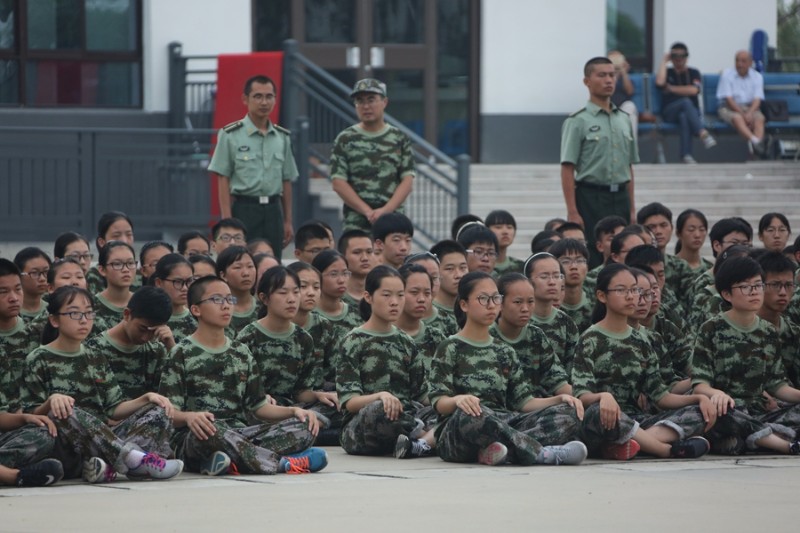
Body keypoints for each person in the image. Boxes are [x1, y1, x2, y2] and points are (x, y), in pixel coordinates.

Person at [158, 275, 328, 475]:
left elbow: (259, 407)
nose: (226, 306)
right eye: (216, 300)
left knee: (305, 425)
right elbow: (169, 414)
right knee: (210, 432)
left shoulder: (241, 351)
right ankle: (282, 463)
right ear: (196, 309)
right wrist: (189, 417)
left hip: (241, 433)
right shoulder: (181, 352)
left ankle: (229, 462)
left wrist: (293, 412)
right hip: (201, 435)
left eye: (229, 299)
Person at [22, 286, 183, 482]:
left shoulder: (94, 356)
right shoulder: (38, 358)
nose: (83, 319)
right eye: (74, 313)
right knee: (64, 410)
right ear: (55, 320)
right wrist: (51, 401)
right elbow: (30, 416)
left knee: (160, 409)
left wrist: (146, 398)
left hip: (101, 441)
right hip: (66, 445)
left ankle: (110, 465)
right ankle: (133, 460)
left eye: (88, 313)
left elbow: (113, 408)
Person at [428, 271, 587, 466]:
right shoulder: (450, 347)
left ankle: (497, 452)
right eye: (483, 299)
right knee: (471, 415)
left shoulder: (504, 350)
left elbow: (524, 402)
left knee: (568, 412)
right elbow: (438, 401)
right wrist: (458, 400)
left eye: (495, 298)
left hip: (502, 421)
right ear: (464, 305)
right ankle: (541, 453)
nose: (491, 305)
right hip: (460, 431)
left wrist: (559, 399)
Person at [573, 264, 713, 460]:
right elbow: (581, 395)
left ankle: (630, 445)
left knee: (698, 411)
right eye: (621, 290)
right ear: (602, 296)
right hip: (601, 421)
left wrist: (698, 398)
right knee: (598, 412)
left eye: (634, 290)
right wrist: (603, 396)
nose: (631, 296)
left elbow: (661, 396)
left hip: (636, 420)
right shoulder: (590, 339)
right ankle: (665, 450)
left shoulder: (642, 340)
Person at [692, 256, 800, 455]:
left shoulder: (768, 331)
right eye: (745, 287)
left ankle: (755, 438)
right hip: (729, 409)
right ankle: (786, 444)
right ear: (726, 294)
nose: (754, 292)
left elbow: (777, 385)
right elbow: (699, 383)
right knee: (712, 415)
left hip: (760, 412)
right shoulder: (711, 329)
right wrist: (717, 394)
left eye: (758, 285)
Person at [336, 266, 434, 458]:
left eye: (400, 295)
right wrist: (380, 396)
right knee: (380, 409)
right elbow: (350, 402)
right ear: (368, 297)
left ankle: (418, 443)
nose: (395, 302)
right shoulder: (353, 341)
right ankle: (427, 439)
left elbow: (421, 394)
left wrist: (453, 400)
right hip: (364, 428)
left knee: (451, 411)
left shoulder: (406, 341)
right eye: (387, 295)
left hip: (406, 416)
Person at [561, 56, 638, 269]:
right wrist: (572, 211)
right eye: (601, 75)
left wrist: (632, 208)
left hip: (620, 196)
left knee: (623, 253)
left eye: (612, 75)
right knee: (594, 255)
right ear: (587, 81)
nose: (608, 80)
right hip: (590, 197)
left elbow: (628, 167)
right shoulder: (577, 120)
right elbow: (567, 167)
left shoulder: (624, 119)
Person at [208, 74, 298, 259]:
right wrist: (227, 220)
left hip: (273, 210)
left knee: (273, 264)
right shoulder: (230, 134)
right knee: (241, 261)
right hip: (244, 208)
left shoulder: (282, 137)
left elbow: (286, 179)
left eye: (269, 96)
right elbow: (223, 178)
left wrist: (288, 220)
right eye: (257, 96)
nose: (264, 102)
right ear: (245, 99)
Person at [330, 78, 415, 232]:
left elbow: (407, 181)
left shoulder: (399, 138)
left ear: (384, 102)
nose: (366, 106)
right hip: (356, 222)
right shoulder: (345, 139)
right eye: (360, 101)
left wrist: (385, 211)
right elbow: (338, 182)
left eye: (371, 100)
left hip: (393, 220)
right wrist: (368, 212)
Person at [84, 286, 175, 402]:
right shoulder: (94, 349)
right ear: (127, 314)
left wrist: (171, 347)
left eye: (153, 332)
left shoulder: (156, 351)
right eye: (142, 329)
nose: (145, 337)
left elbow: (174, 393)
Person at [491, 273, 572, 398]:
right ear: (500, 303)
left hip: (534, 409)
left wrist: (589, 397)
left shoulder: (536, 336)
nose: (525, 308)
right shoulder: (488, 336)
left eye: (530, 301)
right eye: (517, 302)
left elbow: (558, 382)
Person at [655, 42, 717, 164]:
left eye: (681, 56)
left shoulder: (694, 72)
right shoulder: (667, 72)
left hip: (689, 113)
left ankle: (686, 155)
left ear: (686, 57)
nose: (678, 59)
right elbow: (659, 83)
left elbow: (694, 90)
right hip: (669, 112)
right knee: (685, 101)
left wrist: (672, 88)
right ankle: (702, 132)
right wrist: (663, 61)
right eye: (675, 56)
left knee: (684, 115)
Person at [524, 253, 580, 376]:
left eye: (557, 276)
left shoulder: (566, 322)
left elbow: (573, 368)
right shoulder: (520, 319)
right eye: (544, 277)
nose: (552, 282)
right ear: (528, 281)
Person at [286, 262, 338, 393]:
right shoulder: (270, 326)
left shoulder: (324, 326)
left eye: (316, 287)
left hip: (316, 398)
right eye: (303, 286)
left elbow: (334, 372)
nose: (311, 293)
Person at [637, 202, 693, 301]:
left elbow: (690, 302)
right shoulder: (634, 265)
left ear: (671, 228)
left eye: (663, 225)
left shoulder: (680, 266)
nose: (658, 231)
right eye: (651, 227)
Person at [716, 50, 766, 155]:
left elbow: (757, 99)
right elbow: (729, 100)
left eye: (743, 61)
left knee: (760, 119)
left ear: (750, 63)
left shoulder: (757, 77)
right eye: (737, 61)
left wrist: (750, 112)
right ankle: (757, 142)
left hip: (750, 107)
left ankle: (756, 149)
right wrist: (743, 114)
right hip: (729, 108)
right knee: (738, 118)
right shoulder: (727, 75)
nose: (739, 64)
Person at [405, 251, 458, 336]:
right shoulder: (390, 321)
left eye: (434, 277)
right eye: (421, 277)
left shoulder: (451, 323)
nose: (429, 284)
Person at [86, 211, 138, 294]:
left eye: (129, 234)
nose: (124, 240)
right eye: (116, 236)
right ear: (102, 242)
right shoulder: (93, 276)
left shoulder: (140, 273)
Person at [311, 250, 363, 331]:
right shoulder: (308, 315)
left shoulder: (357, 315)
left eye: (345, 273)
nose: (341, 280)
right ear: (317, 277)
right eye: (333, 274)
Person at [549, 239, 592, 332]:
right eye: (565, 261)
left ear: (587, 267)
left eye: (580, 260)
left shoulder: (597, 301)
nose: (574, 267)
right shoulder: (547, 306)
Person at [152, 254, 197, 343]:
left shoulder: (198, 319)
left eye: (189, 281)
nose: (185, 288)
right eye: (178, 282)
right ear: (159, 283)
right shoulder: (147, 319)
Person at [94, 242, 137, 333]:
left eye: (130, 263)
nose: (126, 269)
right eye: (117, 264)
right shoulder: (91, 306)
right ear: (102, 270)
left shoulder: (144, 303)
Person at [215, 246, 257, 337]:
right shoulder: (216, 309)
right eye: (238, 267)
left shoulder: (265, 307)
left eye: (250, 266)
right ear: (223, 275)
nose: (246, 273)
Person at [429, 240, 468, 336]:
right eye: (449, 269)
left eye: (463, 268)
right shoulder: (427, 311)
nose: (458, 275)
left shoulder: (472, 310)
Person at [338, 229, 375, 307]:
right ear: (342, 257)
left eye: (369, 252)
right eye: (357, 252)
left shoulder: (379, 296)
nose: (365, 258)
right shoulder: (336, 297)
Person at [13, 247, 51, 322]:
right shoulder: (10, 312)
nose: (42, 278)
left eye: (46, 272)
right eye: (35, 273)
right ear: (19, 275)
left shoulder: (53, 309)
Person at [608, 50, 639, 143]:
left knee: (630, 108)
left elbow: (630, 91)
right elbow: (609, 90)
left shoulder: (626, 77)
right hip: (609, 108)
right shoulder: (605, 77)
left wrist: (624, 72)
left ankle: (630, 148)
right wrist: (614, 73)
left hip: (624, 108)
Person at [486, 209, 524, 277]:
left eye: (509, 227)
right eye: (498, 227)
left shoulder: (520, 266)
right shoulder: (483, 266)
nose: (505, 232)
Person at [674, 208, 712, 274]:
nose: (697, 235)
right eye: (691, 230)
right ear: (678, 233)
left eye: (702, 229)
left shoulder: (710, 269)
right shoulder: (669, 267)